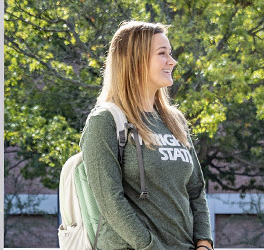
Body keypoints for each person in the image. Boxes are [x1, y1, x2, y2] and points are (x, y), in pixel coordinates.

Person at [79, 21, 213, 250]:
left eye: (170, 53)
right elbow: (110, 201)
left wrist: (203, 242)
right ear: (135, 60)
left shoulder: (175, 121)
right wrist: (149, 245)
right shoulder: (105, 121)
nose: (172, 61)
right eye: (162, 54)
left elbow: (195, 191)